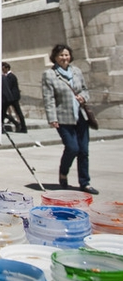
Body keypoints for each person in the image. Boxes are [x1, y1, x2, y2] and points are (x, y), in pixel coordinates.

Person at [42, 43, 98, 194]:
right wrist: (52, 118)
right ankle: (63, 172)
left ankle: (85, 183)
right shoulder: (49, 74)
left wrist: (83, 97)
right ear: (55, 57)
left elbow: (85, 90)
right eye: (61, 55)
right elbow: (49, 98)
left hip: (80, 116)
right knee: (72, 148)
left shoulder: (76, 71)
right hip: (63, 117)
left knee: (84, 151)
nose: (64, 58)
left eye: (66, 55)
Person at [1, 62, 27, 133]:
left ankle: (22, 127)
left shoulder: (10, 76)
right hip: (12, 97)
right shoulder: (9, 76)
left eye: (3, 68)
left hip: (11, 98)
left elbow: (7, 87)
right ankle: (20, 126)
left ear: (6, 68)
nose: (2, 70)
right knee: (4, 112)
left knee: (5, 112)